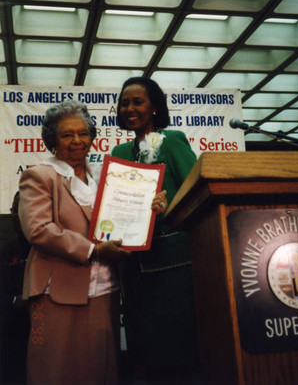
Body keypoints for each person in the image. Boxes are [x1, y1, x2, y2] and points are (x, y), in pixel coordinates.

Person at [18, 100, 167, 385]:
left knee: (102, 370)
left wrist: (151, 206)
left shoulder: (103, 177)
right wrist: (93, 250)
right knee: (57, 370)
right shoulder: (39, 175)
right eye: (67, 135)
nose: (77, 141)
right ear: (52, 141)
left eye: (83, 133)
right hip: (57, 291)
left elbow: (122, 217)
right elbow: (38, 230)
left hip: (104, 290)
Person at [112, 77, 199, 384]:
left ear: (154, 108)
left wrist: (168, 205)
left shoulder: (172, 140)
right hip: (133, 265)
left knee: (177, 353)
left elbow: (197, 193)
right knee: (146, 352)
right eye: (124, 103)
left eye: (138, 102)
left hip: (172, 266)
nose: (130, 108)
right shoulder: (120, 151)